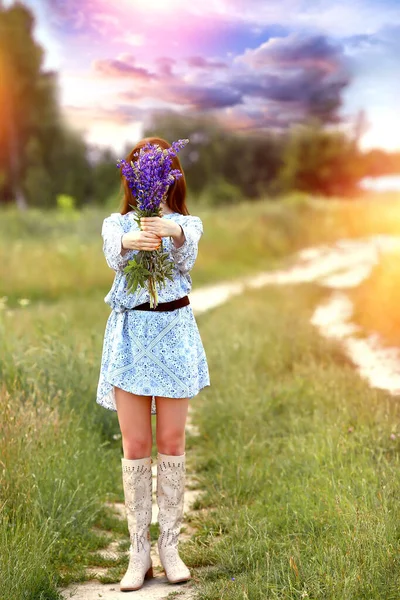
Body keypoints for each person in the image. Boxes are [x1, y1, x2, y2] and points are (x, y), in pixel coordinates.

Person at [96, 137, 210, 591]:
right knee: (137, 444)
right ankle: (138, 552)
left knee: (172, 439)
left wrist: (171, 230)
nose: (152, 177)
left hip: (174, 333)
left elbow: (189, 251)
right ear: (133, 177)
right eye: (144, 168)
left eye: (161, 169)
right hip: (129, 338)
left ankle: (171, 549)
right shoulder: (116, 222)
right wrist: (131, 238)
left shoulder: (185, 221)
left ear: (171, 176)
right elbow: (112, 251)